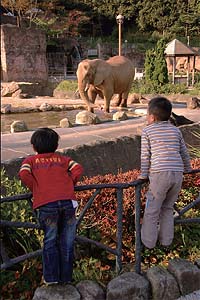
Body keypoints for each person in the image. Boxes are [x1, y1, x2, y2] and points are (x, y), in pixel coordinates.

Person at [19, 128, 84, 285]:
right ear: (56, 145)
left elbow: (23, 174)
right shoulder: (63, 159)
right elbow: (78, 169)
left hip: (47, 205)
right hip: (67, 202)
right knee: (67, 242)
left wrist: (36, 188)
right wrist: (69, 184)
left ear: (33, 146)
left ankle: (51, 278)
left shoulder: (30, 161)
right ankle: (66, 278)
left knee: (50, 241)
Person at [138, 97, 191, 249]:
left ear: (152, 117)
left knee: (152, 210)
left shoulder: (147, 131)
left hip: (160, 174)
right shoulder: (175, 130)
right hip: (177, 173)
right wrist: (188, 169)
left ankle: (148, 244)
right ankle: (166, 242)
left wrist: (143, 175)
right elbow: (184, 152)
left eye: (147, 115)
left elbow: (145, 156)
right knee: (167, 208)